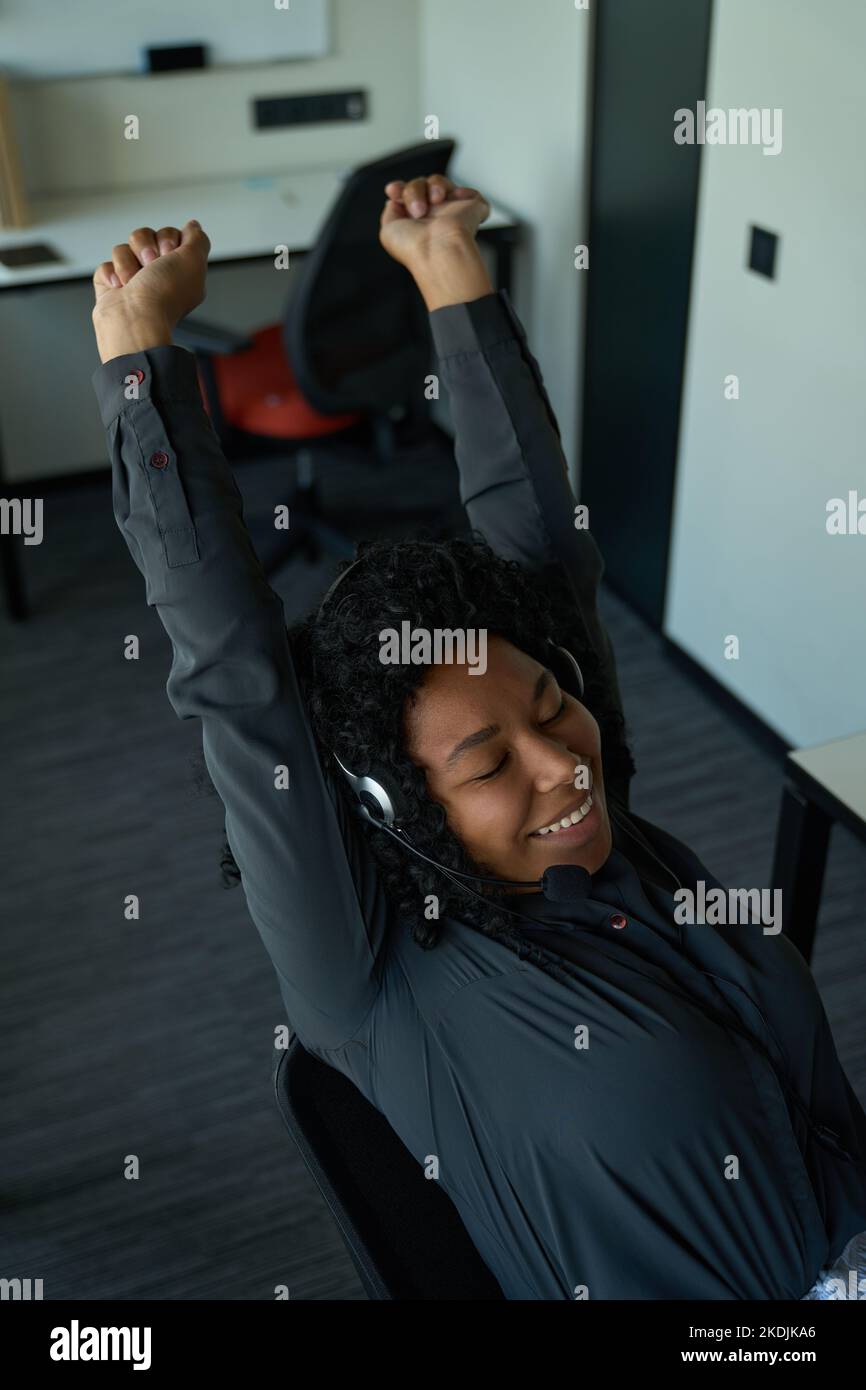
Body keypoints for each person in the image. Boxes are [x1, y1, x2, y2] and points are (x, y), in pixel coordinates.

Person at [89, 175, 866, 1301]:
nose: (562, 763)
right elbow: (235, 679)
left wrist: (448, 269)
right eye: (488, 765)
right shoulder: (370, 975)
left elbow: (537, 540)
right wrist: (141, 361)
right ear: (389, 807)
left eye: (554, 706)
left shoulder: (594, 833)